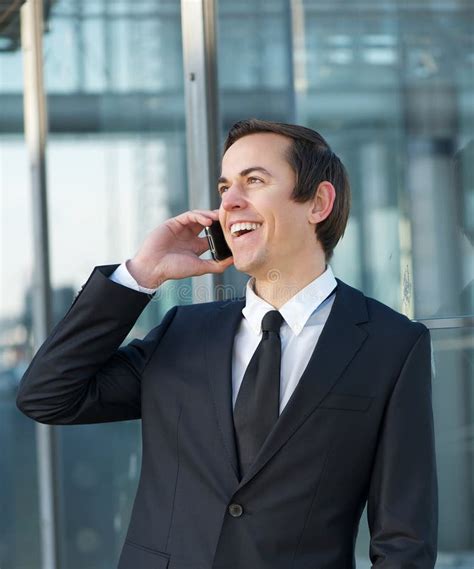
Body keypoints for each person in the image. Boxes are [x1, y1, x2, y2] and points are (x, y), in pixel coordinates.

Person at [17, 119, 438, 569]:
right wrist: (140, 274)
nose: (230, 202)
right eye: (224, 187)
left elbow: (404, 543)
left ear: (318, 202)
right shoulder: (184, 333)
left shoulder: (390, 345)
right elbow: (48, 396)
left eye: (254, 180)